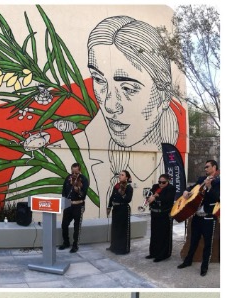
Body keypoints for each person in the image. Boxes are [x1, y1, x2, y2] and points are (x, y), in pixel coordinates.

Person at [85, 16, 179, 201]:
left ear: (164, 95)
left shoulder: (173, 158)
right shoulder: (82, 145)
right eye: (98, 79)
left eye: (128, 88)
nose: (109, 105)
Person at [178, 160, 220, 276]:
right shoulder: (201, 179)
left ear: (214, 167)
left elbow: (218, 198)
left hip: (208, 218)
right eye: (205, 167)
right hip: (196, 217)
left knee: (207, 243)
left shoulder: (218, 182)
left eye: (207, 167)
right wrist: (186, 191)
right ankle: (188, 261)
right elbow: (192, 187)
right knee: (193, 241)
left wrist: (210, 187)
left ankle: (204, 267)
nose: (205, 168)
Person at [145, 174, 176, 262]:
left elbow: (168, 199)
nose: (161, 184)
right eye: (159, 182)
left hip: (164, 214)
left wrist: (155, 198)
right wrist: (149, 197)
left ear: (168, 182)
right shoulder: (155, 187)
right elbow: (150, 194)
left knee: (163, 235)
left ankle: (163, 254)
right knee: (154, 234)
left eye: (163, 182)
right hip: (155, 213)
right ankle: (153, 253)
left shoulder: (171, 188)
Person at [59, 163, 89, 253]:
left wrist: (78, 190)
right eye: (73, 172)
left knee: (77, 226)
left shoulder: (83, 179)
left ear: (80, 171)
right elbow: (64, 191)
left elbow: (83, 194)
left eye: (76, 172)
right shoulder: (68, 178)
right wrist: (64, 201)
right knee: (64, 224)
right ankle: (66, 242)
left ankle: (75, 245)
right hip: (68, 204)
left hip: (78, 205)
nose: (74, 174)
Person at [106, 170, 134, 254]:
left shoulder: (128, 187)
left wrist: (123, 194)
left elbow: (128, 199)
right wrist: (109, 206)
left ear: (127, 177)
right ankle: (114, 246)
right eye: (120, 175)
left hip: (123, 209)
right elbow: (112, 197)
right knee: (115, 228)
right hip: (116, 208)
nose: (120, 176)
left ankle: (123, 249)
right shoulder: (117, 186)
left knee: (122, 229)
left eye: (122, 175)